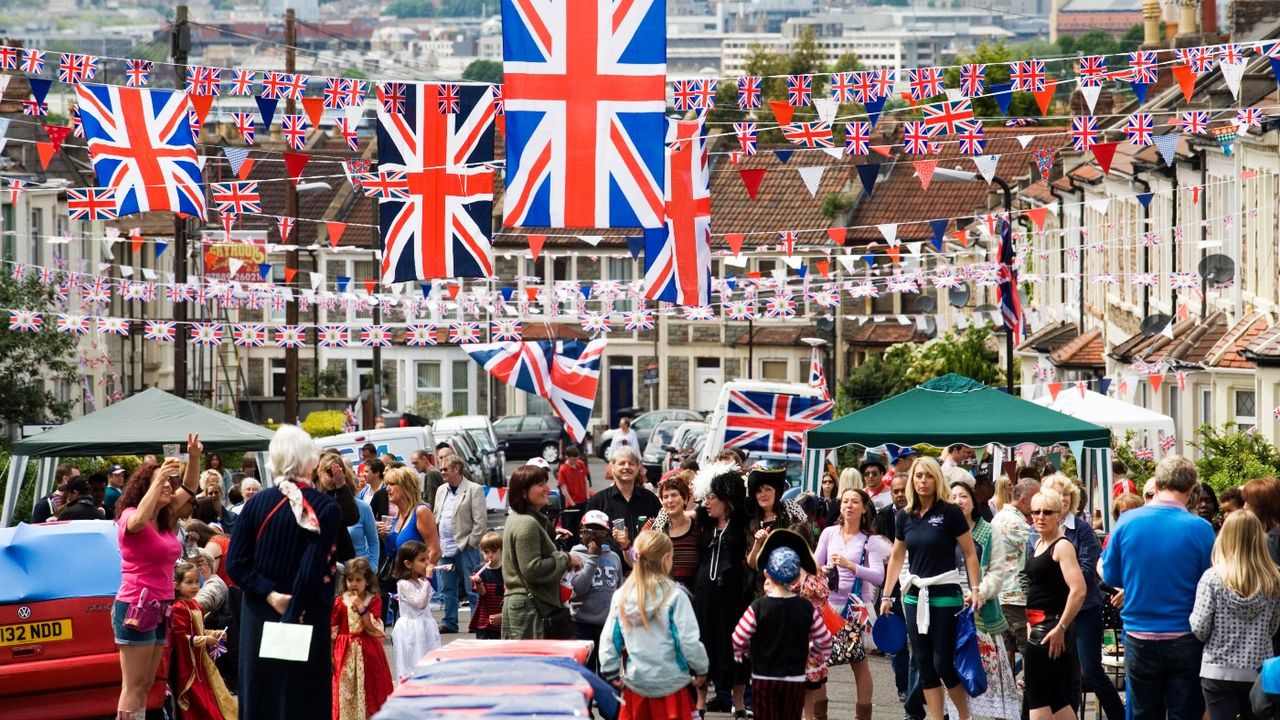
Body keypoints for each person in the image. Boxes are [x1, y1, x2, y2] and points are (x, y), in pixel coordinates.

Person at [227, 425, 342, 720]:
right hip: (304, 613)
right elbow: (312, 566)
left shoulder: (254, 505)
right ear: (308, 461)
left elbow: (236, 564)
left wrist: (269, 593)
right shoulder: (325, 507)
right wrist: (291, 610)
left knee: (261, 693)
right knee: (302, 696)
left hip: (260, 613)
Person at [1101, 456, 1215, 720]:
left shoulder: (1127, 521)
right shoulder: (1201, 529)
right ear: (1191, 490)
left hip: (1139, 634)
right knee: (1185, 713)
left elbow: (1111, 574)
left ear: (1158, 481)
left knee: (1142, 713)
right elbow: (1208, 582)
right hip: (1185, 635)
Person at [879, 456, 980, 720]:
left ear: (937, 479)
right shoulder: (905, 515)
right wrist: (887, 594)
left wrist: (975, 588)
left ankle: (964, 716)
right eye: (918, 476)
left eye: (928, 476)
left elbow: (970, 553)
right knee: (924, 664)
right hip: (914, 595)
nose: (923, 481)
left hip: (945, 594)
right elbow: (897, 557)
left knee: (943, 663)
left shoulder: (950, 512)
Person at [599, 531, 709, 720]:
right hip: (672, 685)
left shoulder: (622, 596)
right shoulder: (676, 596)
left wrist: (610, 670)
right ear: (666, 559)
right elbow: (687, 640)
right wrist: (701, 668)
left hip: (636, 685)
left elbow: (610, 638)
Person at [1038, 473, 1122, 720]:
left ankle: (1119, 715)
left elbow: (1087, 570)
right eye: (1057, 493)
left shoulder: (1082, 529)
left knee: (1091, 670)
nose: (1062, 499)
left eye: (1066, 494)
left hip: (1084, 610)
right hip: (1053, 611)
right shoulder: (1040, 530)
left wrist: (1056, 578)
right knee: (1062, 672)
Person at [1190, 510, 1280, 720]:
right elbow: (1273, 627)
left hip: (1217, 670)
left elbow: (1200, 629)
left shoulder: (1212, 578)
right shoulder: (1274, 580)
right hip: (1257, 671)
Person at [113, 460, 185, 720]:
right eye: (161, 481)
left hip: (161, 606)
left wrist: (195, 457)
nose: (167, 485)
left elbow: (188, 489)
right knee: (133, 685)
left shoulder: (162, 518)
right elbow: (139, 520)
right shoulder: (130, 515)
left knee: (146, 683)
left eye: (168, 482)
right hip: (136, 606)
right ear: (146, 486)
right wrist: (158, 477)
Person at [732, 543, 833, 720]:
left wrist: (746, 653)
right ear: (796, 579)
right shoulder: (805, 608)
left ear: (766, 574)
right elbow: (824, 639)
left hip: (763, 678)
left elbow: (739, 636)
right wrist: (814, 652)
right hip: (793, 679)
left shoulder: (758, 607)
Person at [814, 488, 890, 720]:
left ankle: (862, 716)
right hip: (827, 606)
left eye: (855, 502)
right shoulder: (829, 533)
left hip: (855, 608)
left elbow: (878, 575)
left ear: (864, 507)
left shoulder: (871, 540)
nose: (849, 506)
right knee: (818, 663)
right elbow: (814, 565)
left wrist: (850, 566)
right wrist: (824, 569)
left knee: (858, 661)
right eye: (845, 501)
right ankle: (818, 715)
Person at [948, 472, 1018, 720]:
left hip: (981, 612)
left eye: (963, 496)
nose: (958, 501)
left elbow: (997, 572)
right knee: (952, 676)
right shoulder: (944, 532)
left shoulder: (988, 531)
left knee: (983, 677)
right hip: (948, 608)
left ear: (973, 500)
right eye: (953, 496)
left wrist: (979, 593)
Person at [692, 463, 752, 718]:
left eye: (712, 498)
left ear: (725, 500)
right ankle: (700, 703)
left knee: (734, 646)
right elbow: (675, 516)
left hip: (733, 597)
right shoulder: (703, 522)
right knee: (704, 644)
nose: (706, 502)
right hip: (704, 594)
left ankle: (738, 705)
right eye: (705, 497)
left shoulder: (742, 523)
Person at [1024, 488, 1087, 720]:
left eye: (1047, 512)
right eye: (1035, 512)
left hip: (1050, 627)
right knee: (1054, 697)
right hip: (1041, 625)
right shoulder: (1041, 543)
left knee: (1038, 697)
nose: (1040, 517)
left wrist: (1060, 627)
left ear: (1059, 515)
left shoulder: (1062, 546)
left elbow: (1079, 590)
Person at [503, 465, 580, 639]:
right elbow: (532, 569)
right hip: (530, 609)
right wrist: (566, 559)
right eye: (540, 484)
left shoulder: (520, 519)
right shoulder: (526, 524)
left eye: (546, 483)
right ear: (523, 493)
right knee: (533, 664)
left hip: (526, 607)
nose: (547, 489)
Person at [171, 561, 237, 720]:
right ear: (177, 585)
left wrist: (214, 633)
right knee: (199, 696)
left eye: (196, 581)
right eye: (189, 582)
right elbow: (181, 637)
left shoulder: (194, 604)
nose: (194, 586)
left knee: (214, 692)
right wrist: (204, 640)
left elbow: (199, 630)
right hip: (189, 665)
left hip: (202, 661)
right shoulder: (178, 608)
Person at [331, 556, 393, 720]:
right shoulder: (340, 601)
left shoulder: (373, 600)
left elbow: (374, 628)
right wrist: (331, 653)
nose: (353, 584)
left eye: (358, 580)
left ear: (367, 581)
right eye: (350, 579)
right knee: (347, 688)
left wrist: (362, 608)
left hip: (368, 651)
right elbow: (334, 628)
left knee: (370, 686)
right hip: (345, 651)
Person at [433, 455, 488, 634]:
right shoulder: (441, 490)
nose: (442, 472)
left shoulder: (474, 489)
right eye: (441, 469)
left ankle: (475, 620)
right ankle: (449, 622)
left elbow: (480, 521)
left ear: (457, 469)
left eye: (445, 469)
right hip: (444, 547)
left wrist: (470, 543)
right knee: (447, 588)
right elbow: (436, 515)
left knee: (471, 587)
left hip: (465, 548)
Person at [990, 478, 1037, 668]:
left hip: (1002, 594)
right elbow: (1040, 545)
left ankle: (1006, 696)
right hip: (1015, 596)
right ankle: (1030, 696)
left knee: (1006, 651)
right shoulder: (1016, 523)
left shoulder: (1001, 516)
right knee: (1029, 650)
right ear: (1025, 500)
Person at [570, 510, 623, 671]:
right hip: (582, 625)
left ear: (606, 534)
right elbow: (579, 587)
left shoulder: (614, 557)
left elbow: (618, 590)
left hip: (607, 625)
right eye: (589, 530)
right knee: (584, 672)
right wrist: (592, 558)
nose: (593, 536)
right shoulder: (575, 555)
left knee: (608, 672)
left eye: (598, 531)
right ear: (581, 533)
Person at [587, 446, 662, 556]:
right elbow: (587, 538)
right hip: (608, 568)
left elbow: (661, 534)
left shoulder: (651, 499)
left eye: (631, 464)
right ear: (612, 467)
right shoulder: (598, 501)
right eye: (622, 463)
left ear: (637, 468)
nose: (626, 467)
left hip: (643, 566)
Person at [391, 540, 441, 678]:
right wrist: (429, 580)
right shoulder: (403, 584)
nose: (427, 563)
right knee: (413, 663)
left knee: (429, 663)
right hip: (411, 630)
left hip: (425, 625)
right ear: (408, 564)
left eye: (427, 558)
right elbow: (420, 603)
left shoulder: (420, 582)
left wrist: (426, 581)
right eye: (422, 560)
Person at [746, 465, 810, 569]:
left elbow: (803, 552)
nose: (763, 494)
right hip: (761, 583)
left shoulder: (791, 516)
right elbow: (752, 564)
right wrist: (757, 543)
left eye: (768, 489)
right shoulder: (753, 523)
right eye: (759, 491)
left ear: (777, 492)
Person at [642, 477, 700, 588]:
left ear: (686, 499)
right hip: (658, 591)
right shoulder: (652, 526)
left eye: (674, 495)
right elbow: (638, 557)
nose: (670, 500)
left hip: (692, 594)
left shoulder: (698, 527)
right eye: (665, 496)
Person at [382, 466, 442, 570]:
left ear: (406, 486)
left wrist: (422, 578)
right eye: (387, 485)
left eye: (392, 484)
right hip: (401, 580)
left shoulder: (421, 512)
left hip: (419, 582)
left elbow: (435, 551)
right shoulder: (399, 514)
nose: (387, 488)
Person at [316, 451, 361, 565]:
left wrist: (341, 486)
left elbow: (352, 519)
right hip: (318, 553)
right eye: (331, 475)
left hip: (340, 555)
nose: (333, 479)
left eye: (338, 475)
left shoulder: (342, 492)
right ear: (319, 472)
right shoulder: (312, 492)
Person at [469, 532, 505, 639]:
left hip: (501, 617)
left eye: (494, 551)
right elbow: (482, 593)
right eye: (486, 552)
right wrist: (478, 582)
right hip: (484, 619)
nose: (490, 555)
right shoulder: (479, 571)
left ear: (501, 551)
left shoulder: (506, 570)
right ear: (482, 552)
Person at [557, 445, 591, 536]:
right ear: (567, 457)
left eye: (576, 459)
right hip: (572, 504)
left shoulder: (580, 464)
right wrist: (572, 503)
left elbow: (585, 480)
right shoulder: (563, 470)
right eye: (573, 460)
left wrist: (587, 497)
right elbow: (564, 489)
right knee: (572, 529)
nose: (575, 462)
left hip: (583, 501)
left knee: (583, 527)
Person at [348, 486, 380, 568]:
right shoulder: (327, 506)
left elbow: (373, 541)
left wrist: (373, 566)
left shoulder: (363, 508)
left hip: (358, 569)